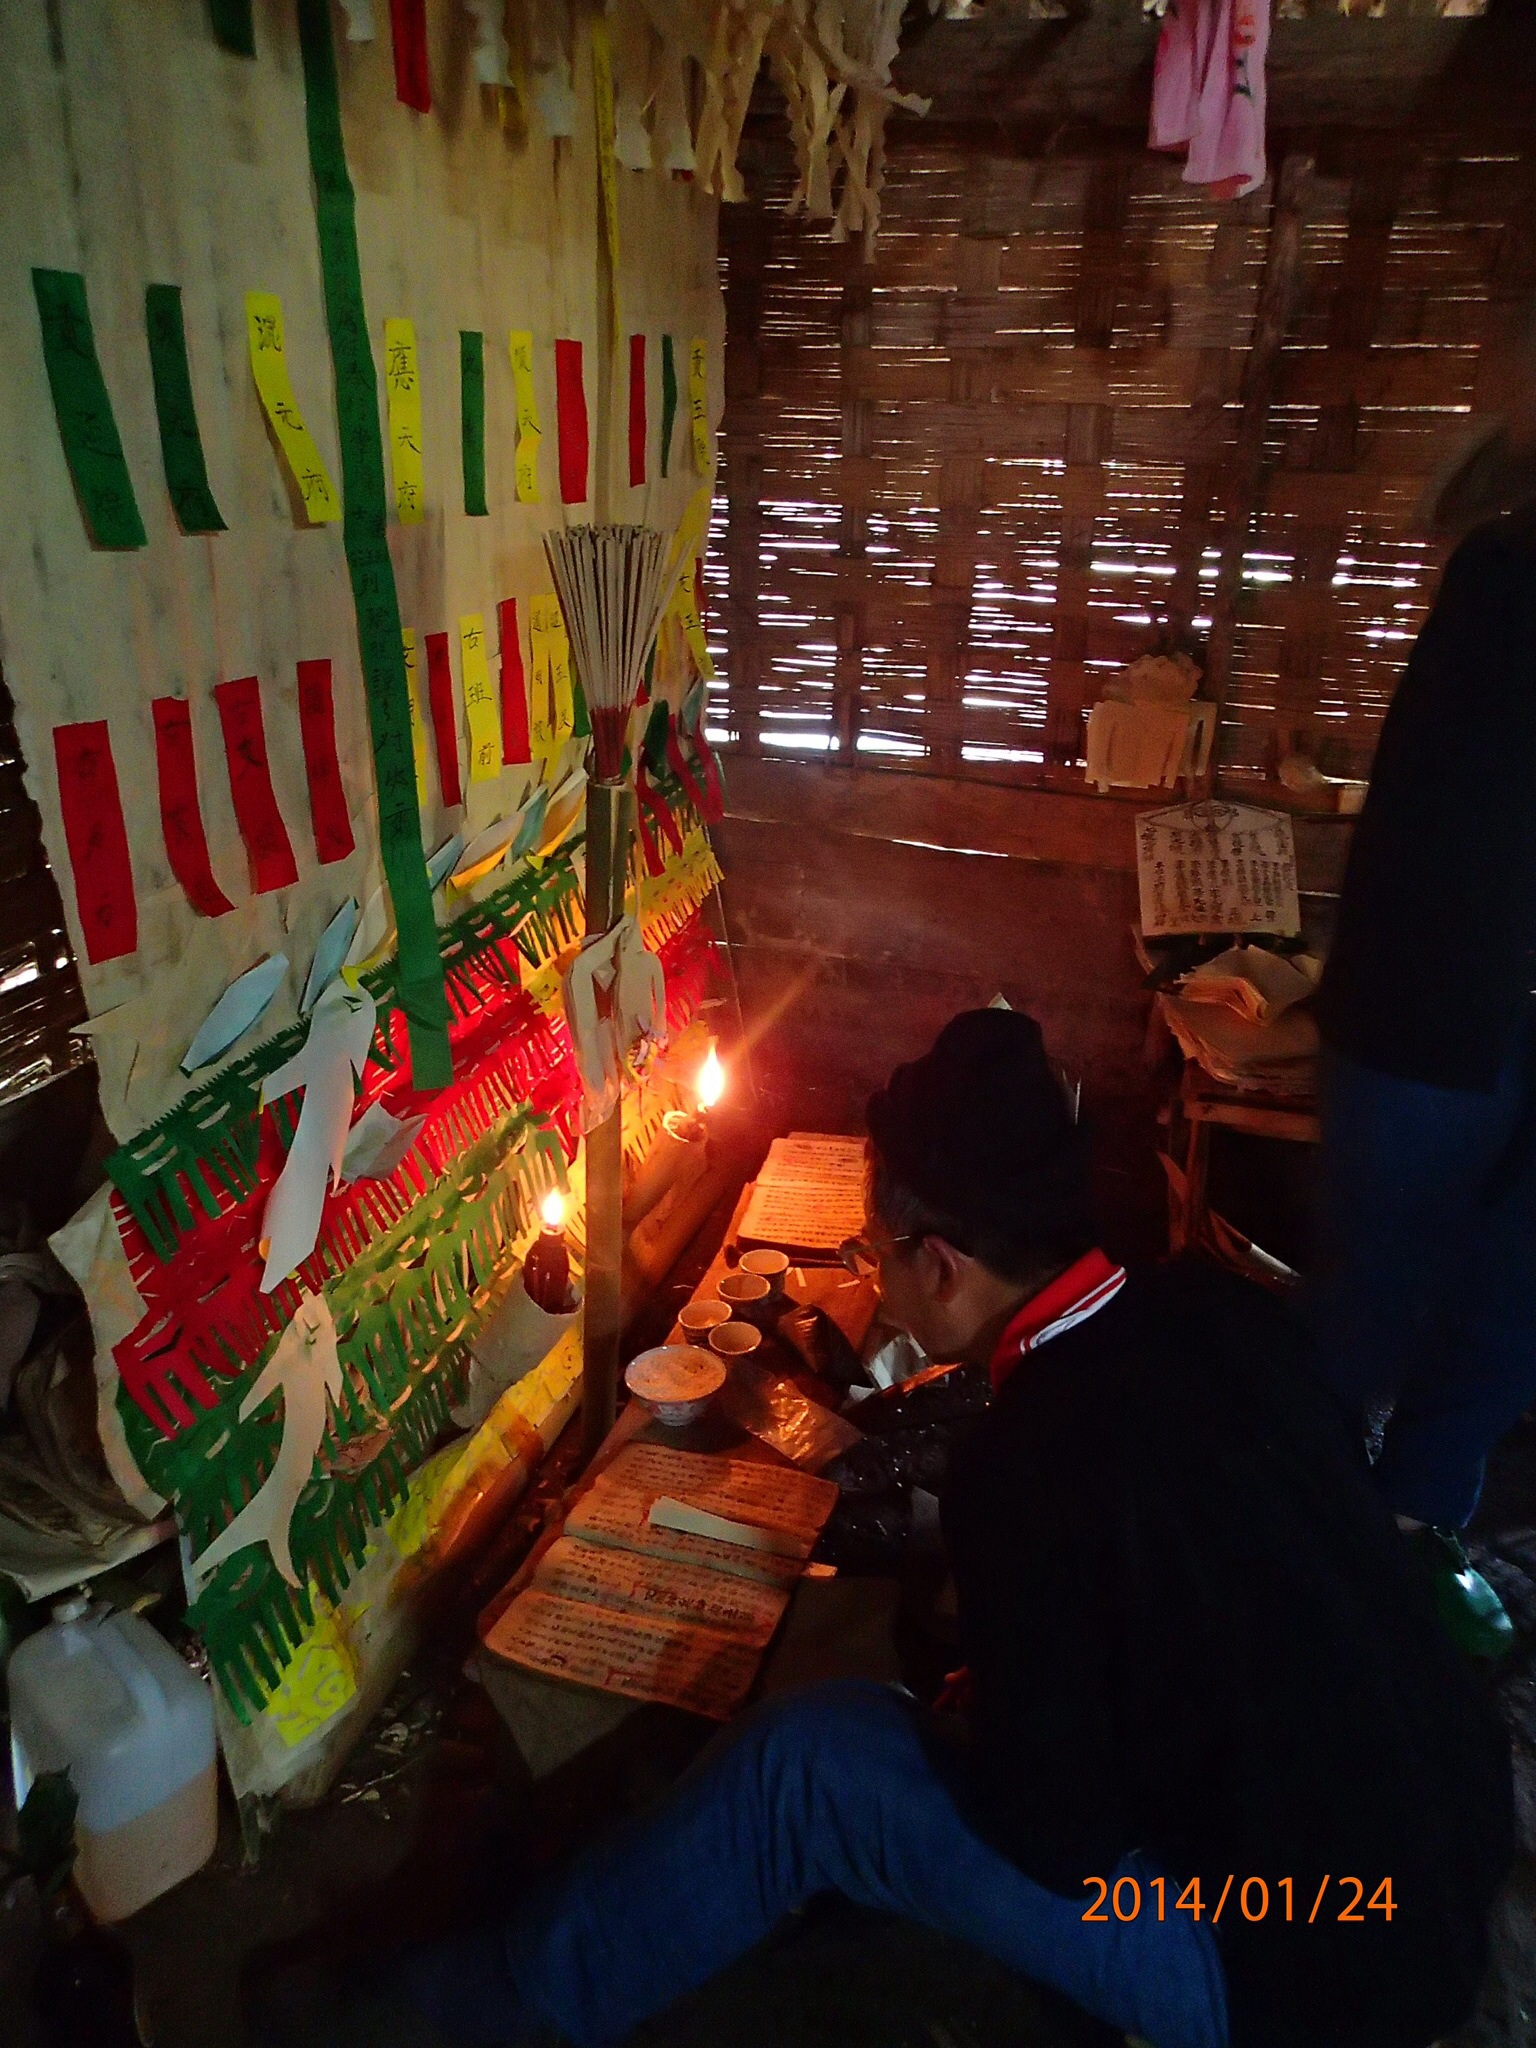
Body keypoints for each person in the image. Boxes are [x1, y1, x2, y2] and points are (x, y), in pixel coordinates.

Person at [256, 1010, 1512, 2048]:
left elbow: (1056, 1831)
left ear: (943, 1264)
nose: (876, 1273)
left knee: (815, 1766)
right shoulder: (1214, 1310)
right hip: (1438, 1854)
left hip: (1296, 1961)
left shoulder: (1034, 1457)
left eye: (877, 1247)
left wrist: (982, 1706)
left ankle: (486, 2006)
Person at [1311, 431, 1536, 1657]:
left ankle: (1415, 1525)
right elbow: (1440, 829)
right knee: (1370, 1298)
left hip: (1471, 1005)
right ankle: (1309, 1534)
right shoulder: (1502, 579)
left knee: (1512, 1306)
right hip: (1436, 997)